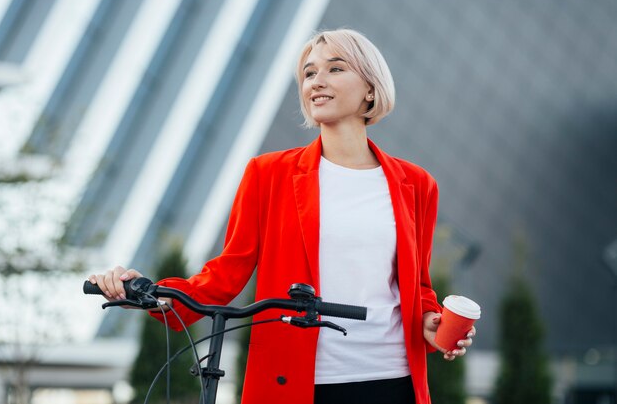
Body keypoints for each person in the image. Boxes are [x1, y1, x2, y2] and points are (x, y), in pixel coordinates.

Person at [89, 28, 476, 404]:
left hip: (393, 380)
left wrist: (430, 319)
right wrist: (149, 293)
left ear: (371, 89)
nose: (316, 81)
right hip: (296, 380)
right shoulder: (268, 174)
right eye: (309, 73)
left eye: (335, 68)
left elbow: (417, 286)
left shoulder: (417, 184)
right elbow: (224, 275)